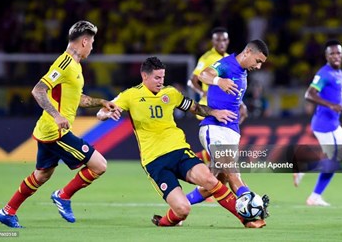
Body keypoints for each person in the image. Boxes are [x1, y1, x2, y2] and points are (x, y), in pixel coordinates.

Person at [97, 56, 266, 228]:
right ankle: (163, 222)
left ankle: (246, 219)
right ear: (144, 76)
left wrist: (214, 112)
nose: (160, 81)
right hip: (155, 161)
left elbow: (194, 107)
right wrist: (106, 114)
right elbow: (103, 111)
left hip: (179, 151)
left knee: (211, 180)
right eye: (157, 78)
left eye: (162, 77)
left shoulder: (170, 93)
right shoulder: (130, 96)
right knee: (183, 209)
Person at [0, 20, 120, 228]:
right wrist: (56, 115)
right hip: (56, 131)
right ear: (84, 41)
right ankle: (63, 196)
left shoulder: (75, 67)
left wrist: (101, 102)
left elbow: (78, 98)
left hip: (49, 130)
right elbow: (38, 90)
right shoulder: (64, 64)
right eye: (92, 43)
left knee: (41, 175)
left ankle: (7, 211)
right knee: (99, 165)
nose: (92, 47)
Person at [185, 40, 270, 217]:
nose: (259, 66)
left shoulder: (244, 71)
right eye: (258, 61)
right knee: (232, 170)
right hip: (214, 128)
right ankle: (252, 206)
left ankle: (179, 206)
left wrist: (241, 106)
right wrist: (218, 80)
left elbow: (233, 95)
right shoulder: (226, 65)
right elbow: (203, 75)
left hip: (231, 131)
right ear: (247, 52)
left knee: (216, 181)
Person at [293, 40, 342, 206]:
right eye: (332, 53)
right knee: (337, 161)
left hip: (333, 124)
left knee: (337, 161)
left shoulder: (338, 73)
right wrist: (330, 105)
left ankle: (314, 197)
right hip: (325, 124)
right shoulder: (324, 73)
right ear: (326, 56)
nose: (335, 56)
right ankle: (303, 167)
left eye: (338, 53)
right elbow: (309, 94)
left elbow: (339, 100)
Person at [187, 27, 248, 163]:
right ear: (213, 42)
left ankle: (197, 165)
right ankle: (192, 164)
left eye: (224, 40)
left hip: (224, 106)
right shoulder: (207, 58)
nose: (221, 43)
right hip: (209, 106)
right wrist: (203, 92)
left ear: (228, 41)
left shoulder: (228, 59)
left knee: (219, 150)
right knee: (218, 148)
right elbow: (192, 81)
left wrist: (241, 103)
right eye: (218, 40)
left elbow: (233, 85)